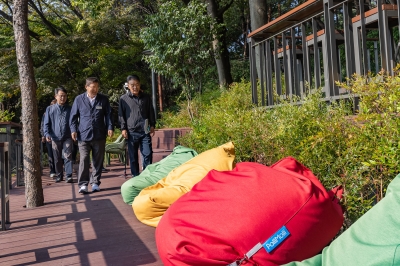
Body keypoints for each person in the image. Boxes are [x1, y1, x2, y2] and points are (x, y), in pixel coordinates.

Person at [70, 77, 113, 194]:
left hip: (99, 134)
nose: (94, 89)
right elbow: (73, 116)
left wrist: (110, 127)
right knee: (84, 159)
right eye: (92, 87)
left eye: (96, 87)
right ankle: (83, 184)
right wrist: (73, 130)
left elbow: (108, 115)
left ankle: (95, 182)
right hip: (83, 135)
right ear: (86, 87)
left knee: (97, 160)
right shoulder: (79, 99)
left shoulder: (103, 99)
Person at [118, 75, 155, 177]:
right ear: (128, 86)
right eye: (132, 85)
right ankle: (135, 176)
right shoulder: (123, 99)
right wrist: (123, 128)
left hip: (145, 130)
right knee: (133, 156)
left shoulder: (146, 97)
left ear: (140, 84)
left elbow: (150, 111)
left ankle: (147, 175)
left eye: (137, 84)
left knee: (147, 153)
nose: (135, 87)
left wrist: (152, 124)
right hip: (131, 131)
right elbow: (121, 115)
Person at [43, 87, 73, 183]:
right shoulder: (50, 109)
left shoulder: (70, 109)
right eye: (61, 96)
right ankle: (59, 175)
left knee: (68, 155)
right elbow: (46, 123)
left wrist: (74, 132)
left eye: (64, 96)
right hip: (55, 137)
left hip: (67, 136)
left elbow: (73, 122)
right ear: (56, 96)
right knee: (57, 158)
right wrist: (46, 133)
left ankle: (69, 175)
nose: (63, 98)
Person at [41, 99, 57, 178]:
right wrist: (43, 135)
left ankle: (58, 170)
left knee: (58, 154)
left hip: (58, 136)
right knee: (50, 153)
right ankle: (52, 170)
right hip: (49, 136)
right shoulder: (45, 114)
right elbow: (43, 125)